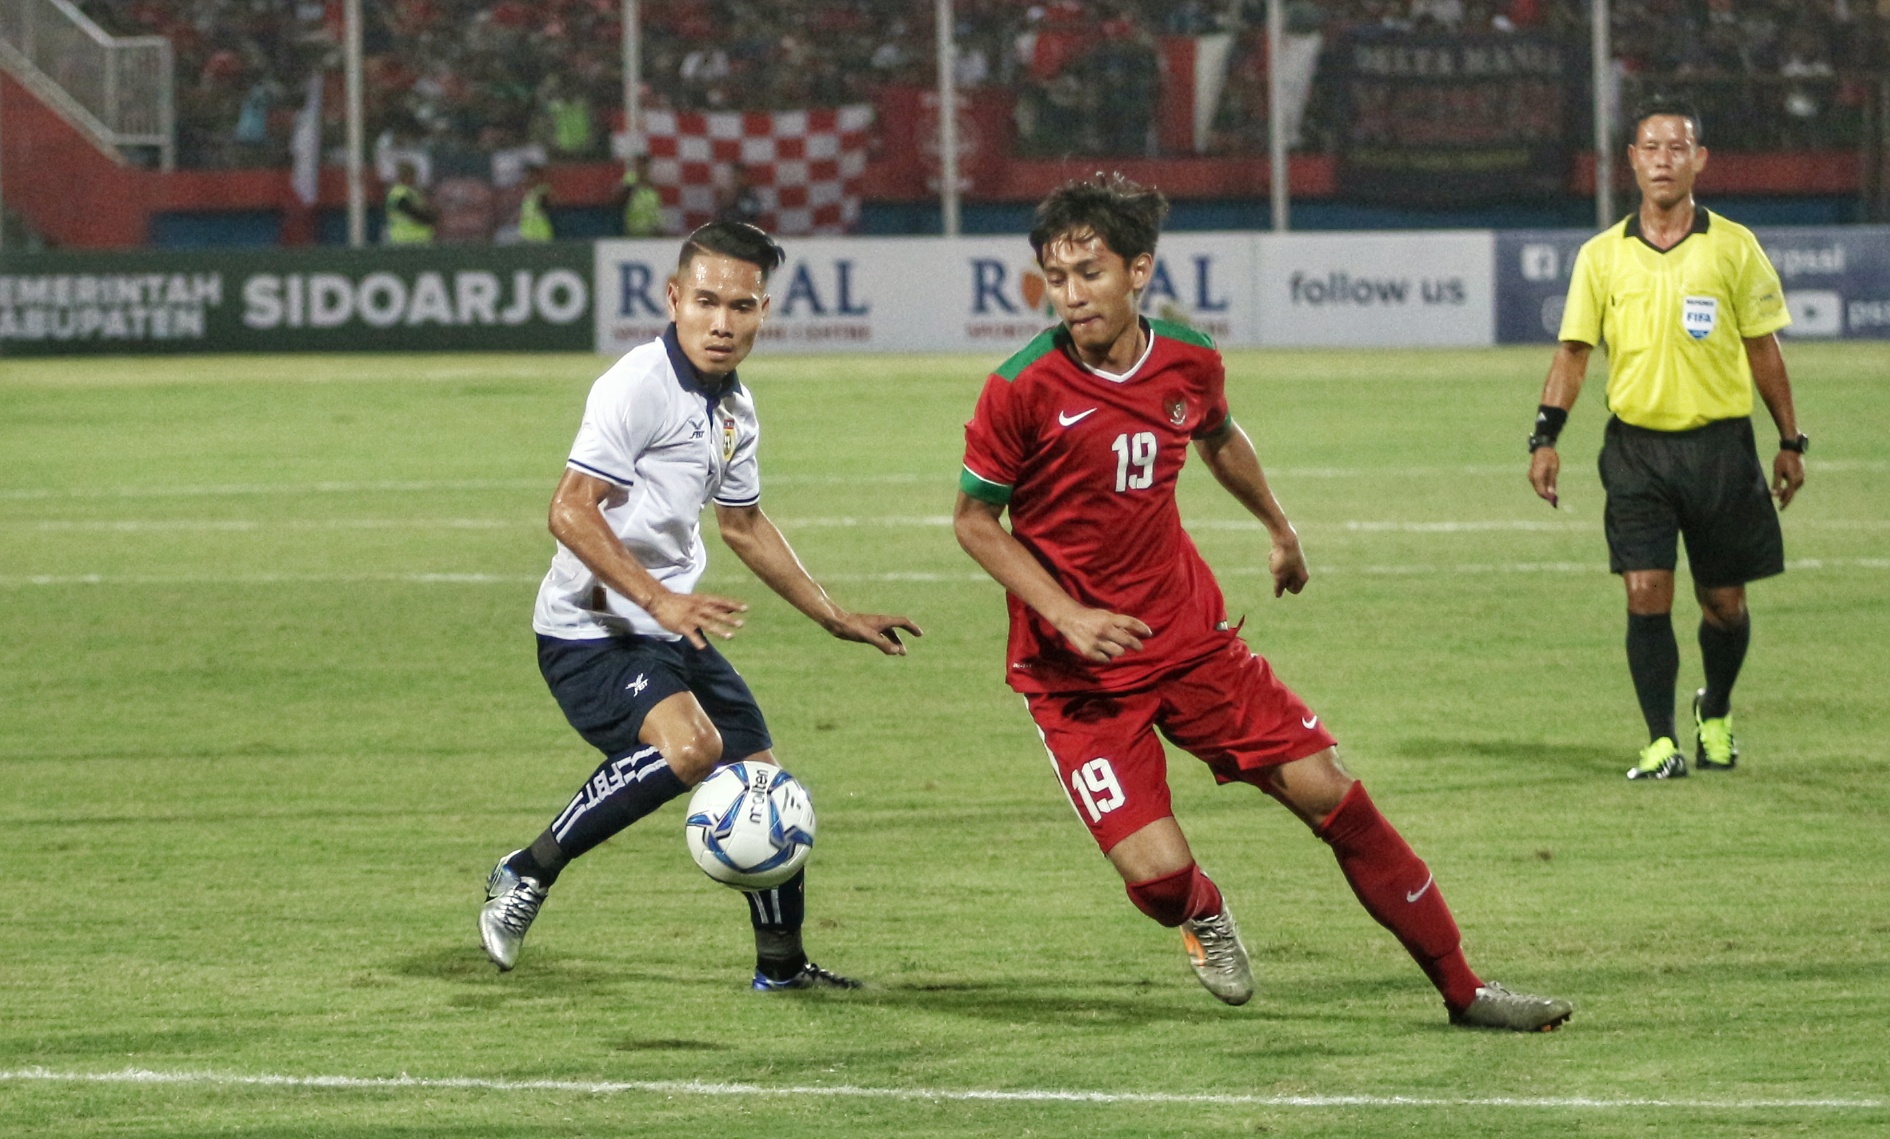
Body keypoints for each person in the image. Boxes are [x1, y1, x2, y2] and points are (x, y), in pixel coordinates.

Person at [952, 173, 1572, 1031]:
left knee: (1334, 793)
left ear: (1138, 270)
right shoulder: (1021, 387)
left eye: (1089, 273)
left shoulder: (1188, 358)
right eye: (1055, 279)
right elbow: (975, 522)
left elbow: (1217, 434)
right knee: (1159, 880)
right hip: (1078, 680)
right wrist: (1068, 613)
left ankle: (1467, 989)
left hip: (1192, 642)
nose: (1071, 295)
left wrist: (1278, 526)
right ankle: (1201, 909)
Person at [480, 221, 922, 989]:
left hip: (666, 625)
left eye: (741, 307)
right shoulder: (636, 384)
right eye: (708, 302)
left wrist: (833, 614)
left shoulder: (734, 408)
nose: (723, 323)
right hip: (592, 631)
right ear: (674, 297)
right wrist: (661, 598)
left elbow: (744, 524)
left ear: (763, 311)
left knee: (762, 781)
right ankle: (525, 870)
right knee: (691, 750)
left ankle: (781, 967)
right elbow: (569, 510)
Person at [1528, 97, 1804, 781]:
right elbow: (1573, 352)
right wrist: (1545, 435)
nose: (1662, 160)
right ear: (1631, 160)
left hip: (1720, 448)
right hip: (1636, 451)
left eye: (1676, 148)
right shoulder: (1601, 256)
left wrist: (1791, 440)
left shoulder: (1734, 247)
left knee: (1725, 604)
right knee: (1644, 590)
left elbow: (1763, 348)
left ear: (1699, 160)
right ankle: (1660, 739)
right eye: (1650, 147)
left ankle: (1716, 709)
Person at [383, 161, 438, 246]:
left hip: (419, 239)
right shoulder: (399, 193)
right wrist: (431, 217)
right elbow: (414, 212)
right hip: (405, 240)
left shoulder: (413, 192)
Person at [617, 154, 666, 237]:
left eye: (646, 165)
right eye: (641, 164)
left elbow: (656, 210)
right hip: (634, 230)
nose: (644, 168)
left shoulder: (652, 188)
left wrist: (659, 226)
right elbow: (619, 198)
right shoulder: (629, 180)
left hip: (651, 231)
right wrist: (635, 185)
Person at [517, 163, 555, 242]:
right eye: (524, 175)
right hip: (526, 231)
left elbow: (552, 201)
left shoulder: (542, 190)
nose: (526, 178)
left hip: (540, 230)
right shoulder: (524, 192)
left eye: (529, 175)